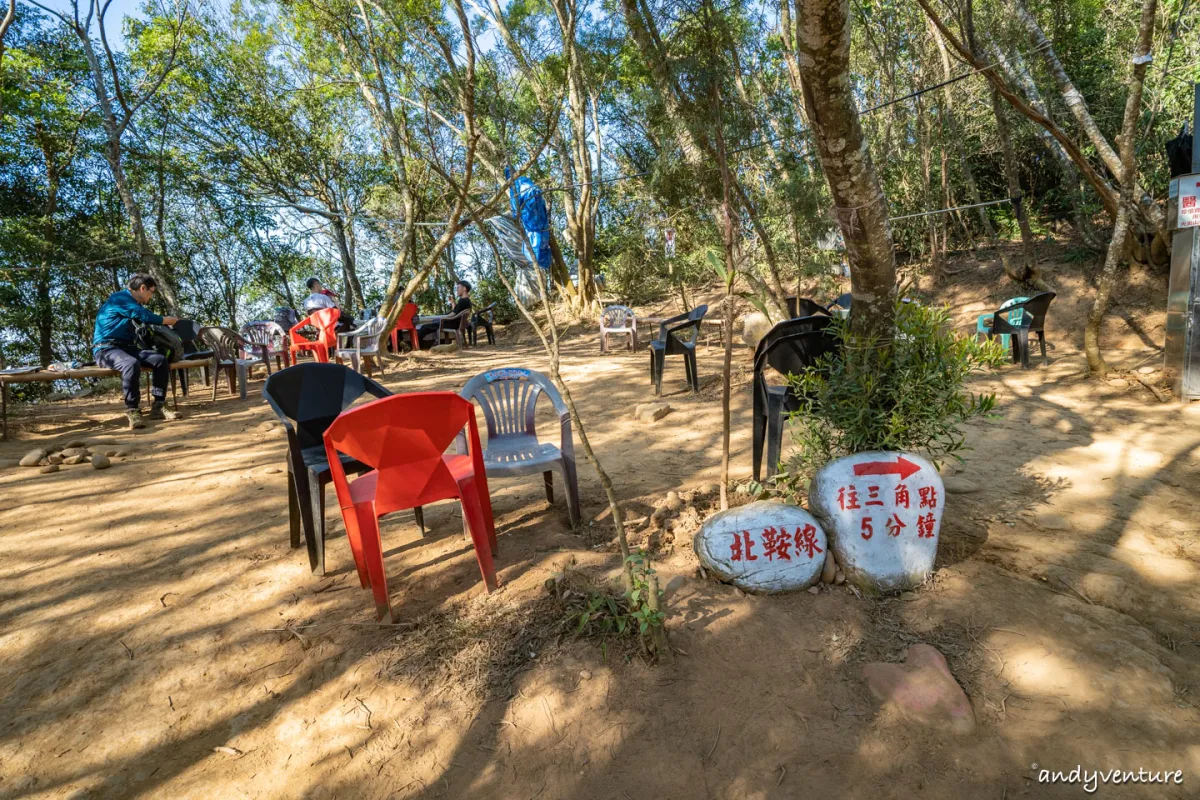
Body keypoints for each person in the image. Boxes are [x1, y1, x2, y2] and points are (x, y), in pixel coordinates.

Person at [93, 274, 180, 430]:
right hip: (106, 349)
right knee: (131, 364)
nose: (151, 296)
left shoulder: (132, 303)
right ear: (142, 288)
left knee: (160, 359)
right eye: (151, 292)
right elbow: (145, 316)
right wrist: (169, 320)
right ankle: (133, 409)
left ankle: (159, 405)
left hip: (127, 348)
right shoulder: (119, 298)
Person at [418, 280, 473, 348]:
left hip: (451, 323)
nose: (457, 290)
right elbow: (456, 311)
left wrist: (442, 317)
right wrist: (452, 302)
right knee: (433, 322)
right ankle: (431, 343)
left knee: (424, 327)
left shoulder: (462, 301)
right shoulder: (467, 301)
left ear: (464, 288)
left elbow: (453, 314)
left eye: (458, 288)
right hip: (455, 323)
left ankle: (417, 345)